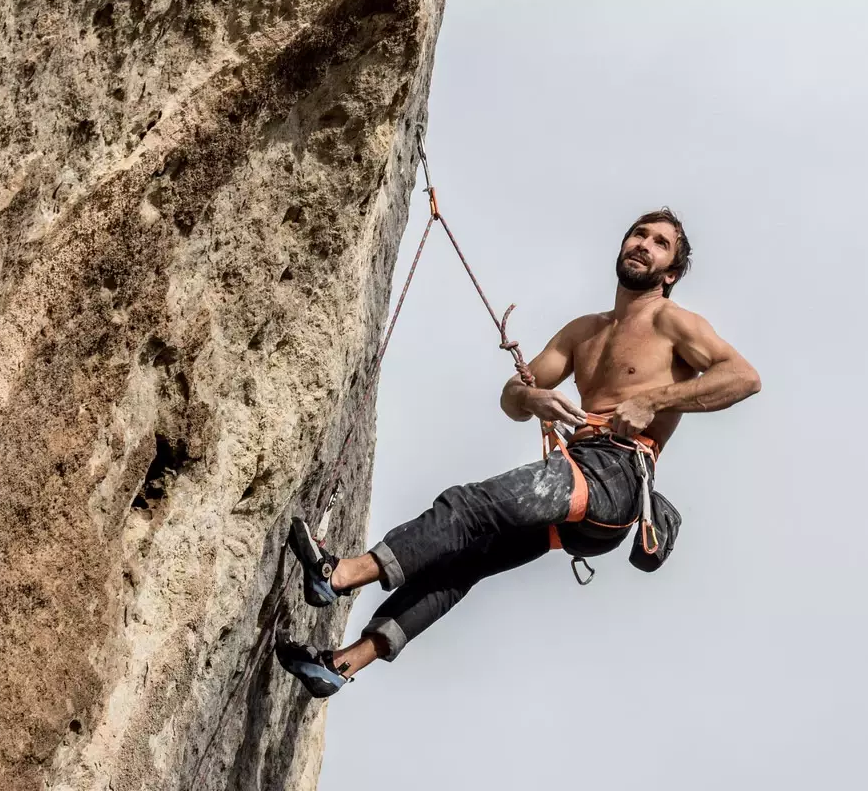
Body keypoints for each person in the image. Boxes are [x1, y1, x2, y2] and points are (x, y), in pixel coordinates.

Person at [275, 208, 761, 696]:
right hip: (582, 478)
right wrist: (533, 397)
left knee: (470, 506)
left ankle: (338, 574)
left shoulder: (673, 322)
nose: (643, 245)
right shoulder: (584, 332)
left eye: (660, 243)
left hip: (616, 475)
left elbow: (743, 378)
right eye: (639, 234)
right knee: (462, 559)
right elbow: (512, 395)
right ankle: (341, 664)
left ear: (670, 272)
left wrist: (653, 400)